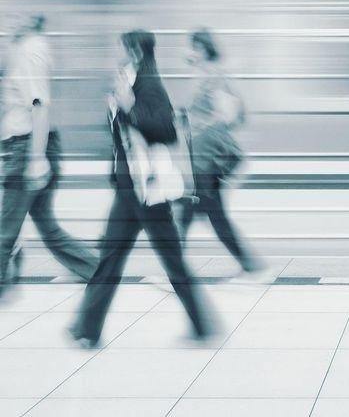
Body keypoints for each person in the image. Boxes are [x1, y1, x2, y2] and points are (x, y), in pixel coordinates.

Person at [70, 30, 211, 347]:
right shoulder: (126, 82)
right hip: (128, 186)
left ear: (134, 50)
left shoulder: (149, 85)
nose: (114, 53)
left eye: (119, 47)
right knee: (110, 257)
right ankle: (87, 329)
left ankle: (202, 324)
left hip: (149, 190)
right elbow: (120, 139)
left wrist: (129, 107)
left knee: (171, 260)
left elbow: (165, 130)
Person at [0, 14, 98, 296]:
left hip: (27, 148)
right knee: (45, 225)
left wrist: (35, 158)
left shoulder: (30, 51)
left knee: (6, 229)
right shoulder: (25, 50)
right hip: (25, 147)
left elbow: (38, 105)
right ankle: (96, 269)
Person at [174, 29, 259, 274]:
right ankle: (178, 270)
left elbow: (226, 116)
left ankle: (253, 268)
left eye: (191, 46)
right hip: (200, 157)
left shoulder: (212, 76)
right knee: (195, 213)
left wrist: (199, 123)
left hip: (206, 157)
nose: (187, 51)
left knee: (205, 215)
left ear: (201, 49)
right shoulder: (202, 75)